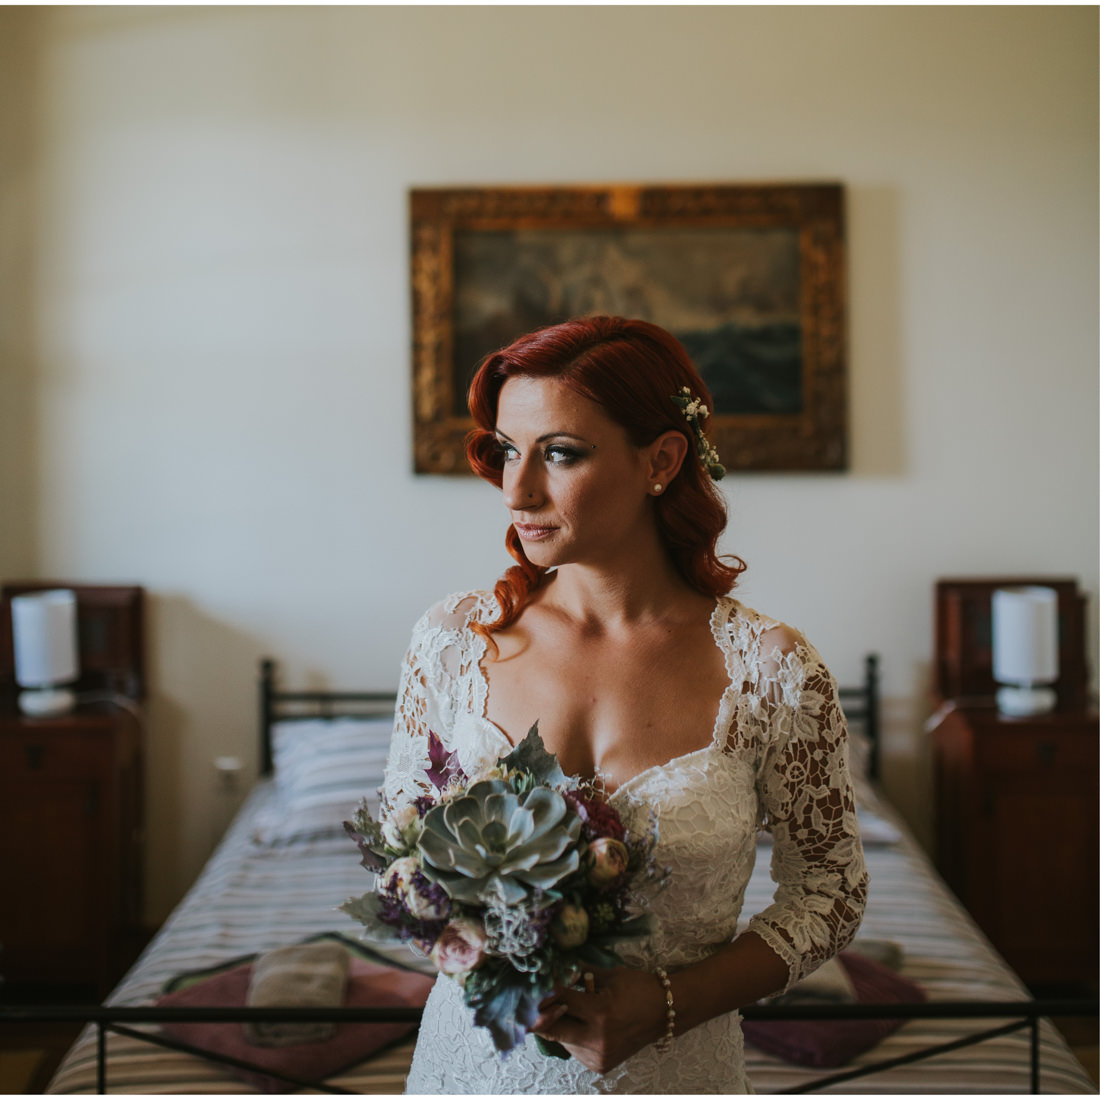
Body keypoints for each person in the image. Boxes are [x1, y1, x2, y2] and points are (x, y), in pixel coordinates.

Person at [382, 316, 868, 1093]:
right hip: (473, 1070)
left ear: (662, 461)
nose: (516, 489)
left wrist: (670, 1004)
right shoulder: (450, 643)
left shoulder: (770, 670)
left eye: (560, 453)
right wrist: (491, 949)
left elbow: (831, 891)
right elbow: (401, 861)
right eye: (508, 449)